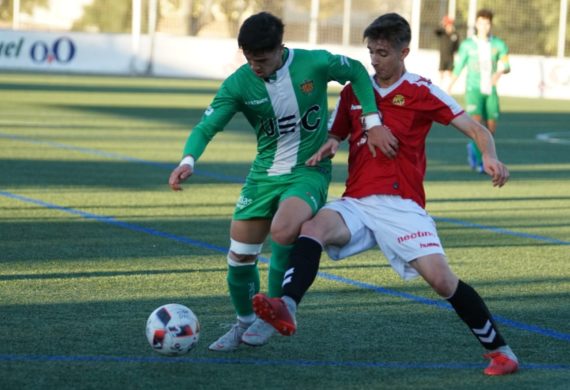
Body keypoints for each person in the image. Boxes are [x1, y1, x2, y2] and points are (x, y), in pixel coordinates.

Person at [252, 13, 519, 376]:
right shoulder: (353, 92)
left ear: (403, 51)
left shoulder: (421, 91)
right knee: (312, 228)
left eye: (381, 53)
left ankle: (501, 351)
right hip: (358, 201)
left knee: (442, 280)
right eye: (370, 52)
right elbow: (336, 133)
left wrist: (489, 155)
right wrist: (330, 145)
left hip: (402, 206)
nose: (374, 60)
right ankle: (287, 304)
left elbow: (474, 127)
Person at [168, 11, 384, 352]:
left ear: (280, 48)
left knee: (284, 229)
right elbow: (207, 126)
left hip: (307, 171)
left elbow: (356, 71)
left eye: (262, 59)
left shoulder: (313, 64)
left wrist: (371, 119)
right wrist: (188, 160)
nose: (256, 66)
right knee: (239, 258)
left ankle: (277, 310)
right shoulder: (240, 83)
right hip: (263, 176)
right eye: (250, 59)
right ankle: (245, 323)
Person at [447, 9, 510, 173]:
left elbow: (507, 65)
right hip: (473, 90)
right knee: (476, 125)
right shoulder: (467, 45)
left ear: (491, 24)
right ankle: (481, 161)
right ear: (476, 24)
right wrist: (448, 87)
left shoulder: (498, 44)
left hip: (491, 91)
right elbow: (458, 67)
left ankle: (476, 150)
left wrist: (499, 73)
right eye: (481, 23)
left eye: (487, 23)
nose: (484, 26)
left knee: (491, 128)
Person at [434, 15, 460, 89]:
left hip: (450, 57)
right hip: (442, 57)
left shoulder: (455, 34)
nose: (449, 27)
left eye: (450, 25)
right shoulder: (442, 33)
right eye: (448, 25)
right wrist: (442, 24)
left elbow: (457, 46)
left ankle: (449, 88)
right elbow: (435, 31)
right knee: (441, 72)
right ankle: (439, 87)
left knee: (450, 72)